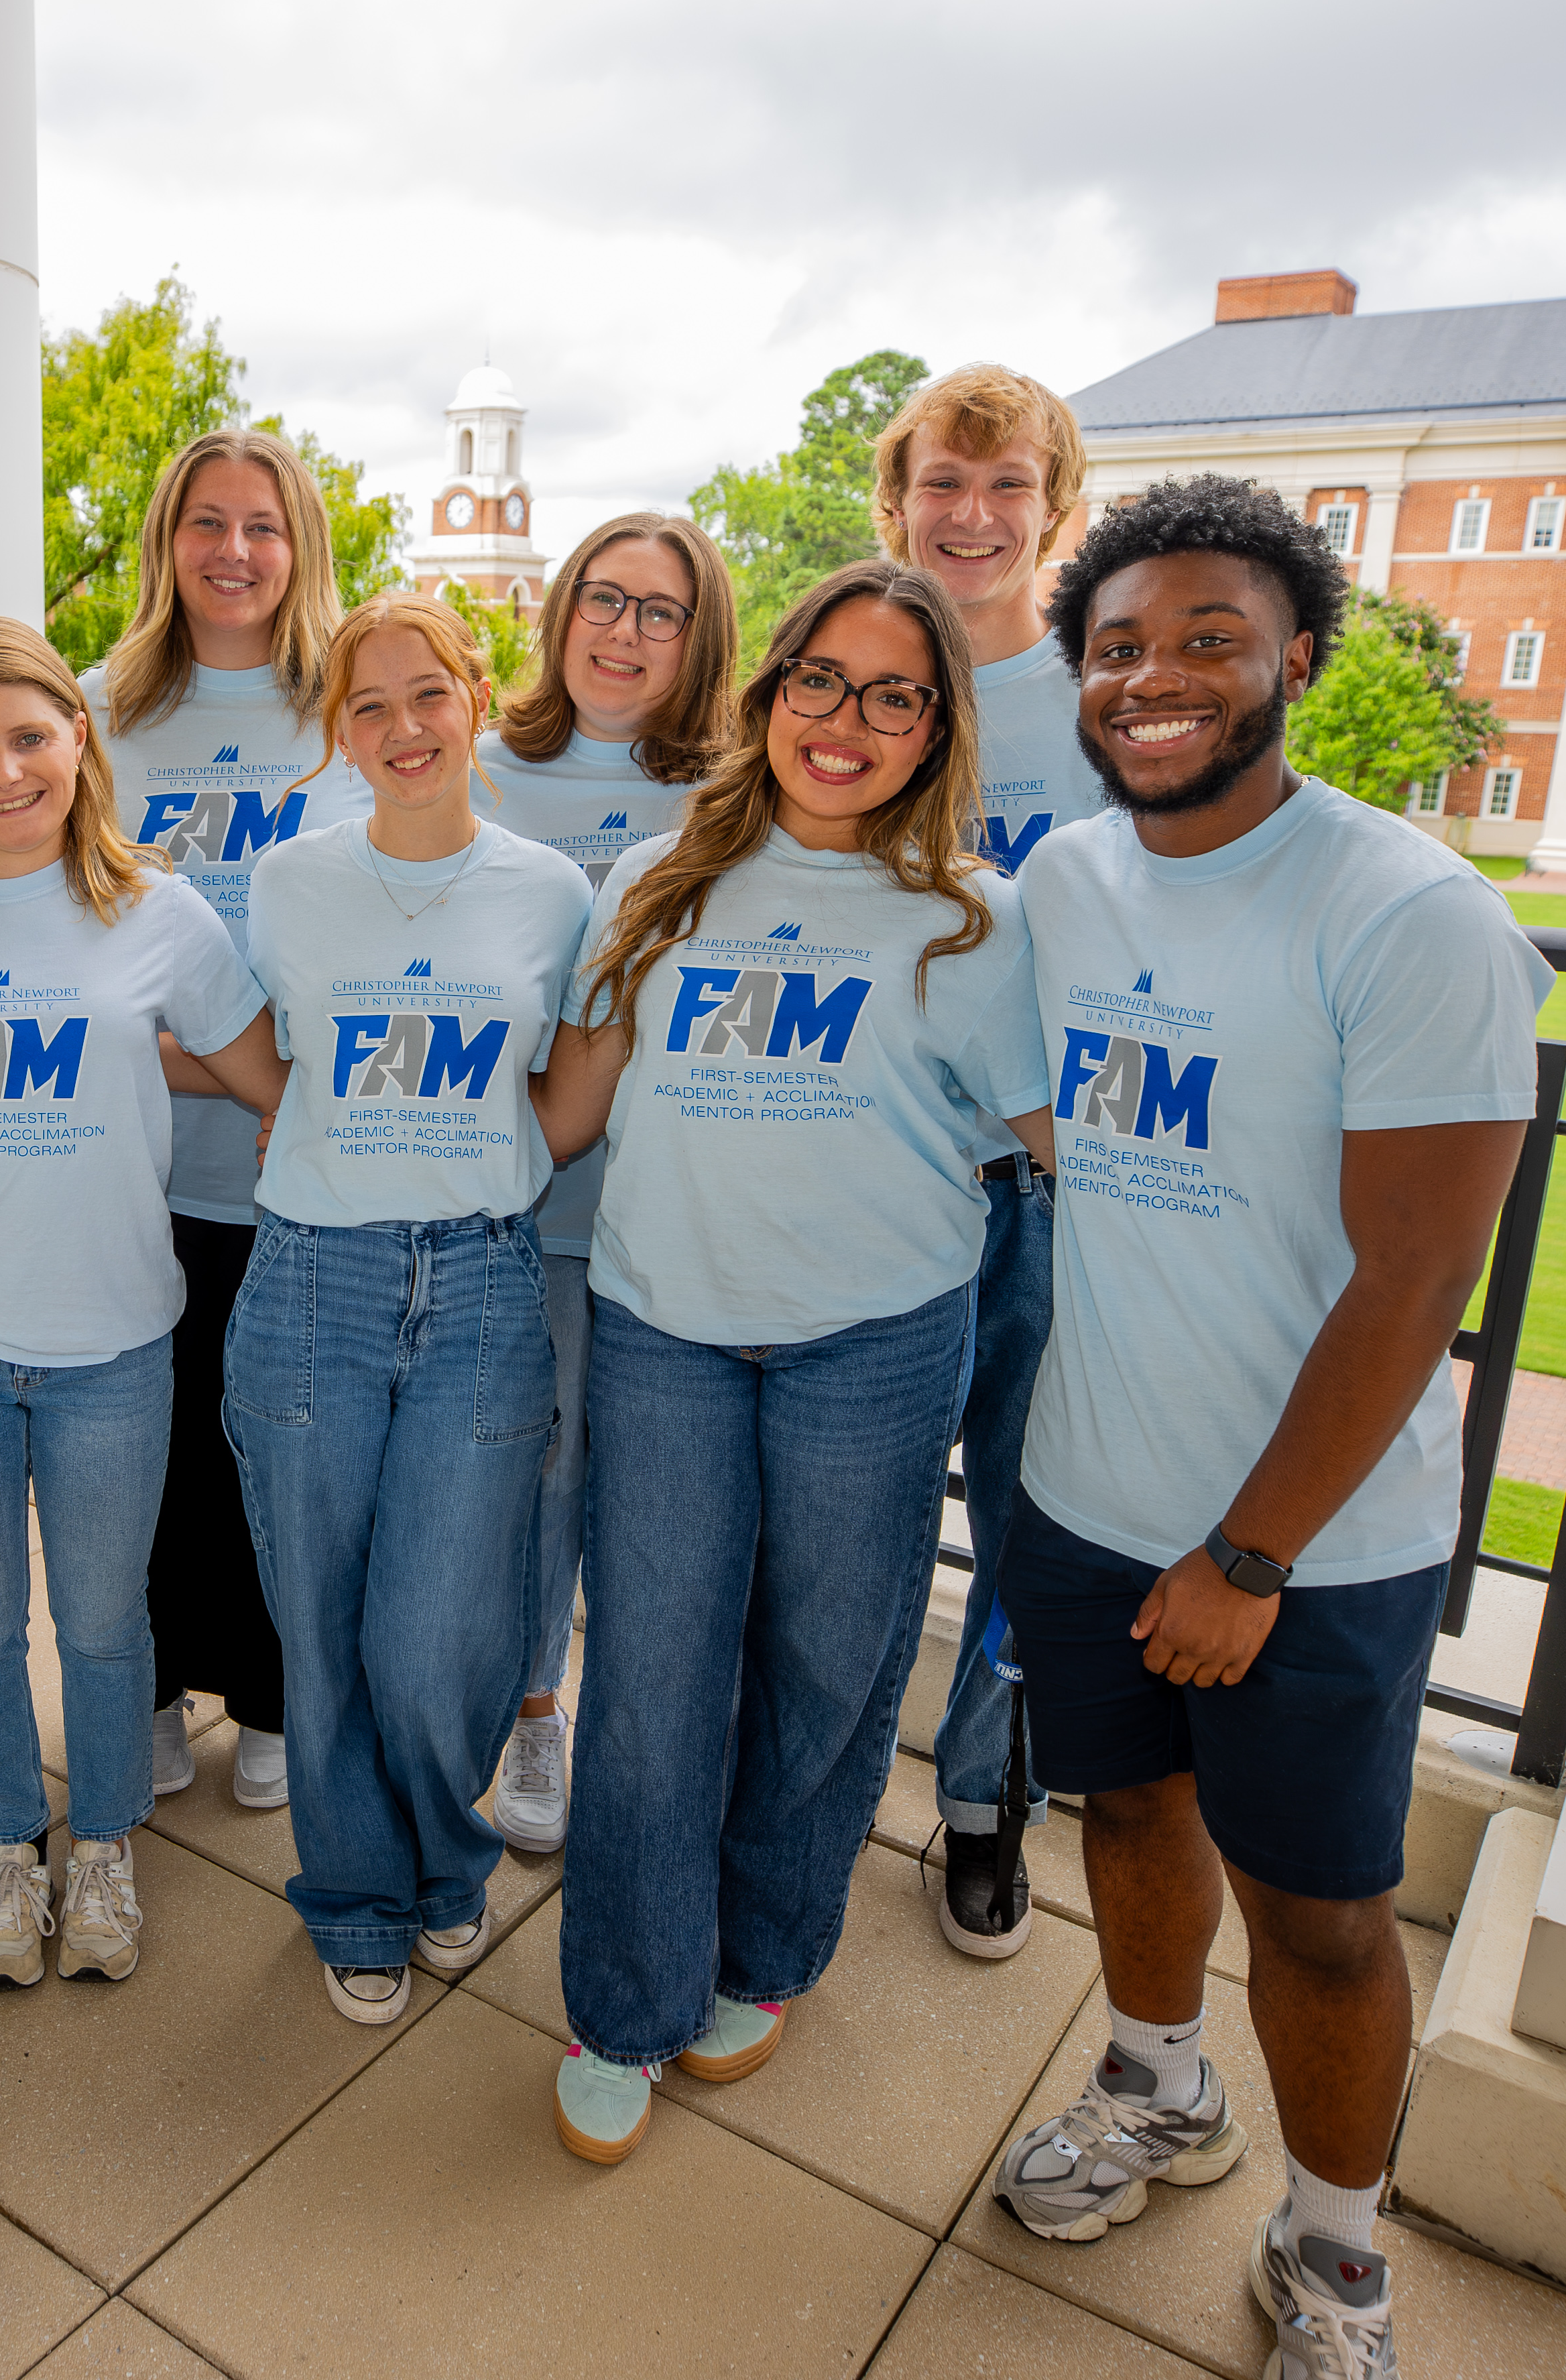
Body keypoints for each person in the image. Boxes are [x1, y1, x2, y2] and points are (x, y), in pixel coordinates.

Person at [985, 477, 1546, 2380]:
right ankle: (1158, 2090)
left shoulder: (1410, 912)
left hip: (1307, 1544)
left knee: (1321, 1915)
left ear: (1295, 655)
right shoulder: (1066, 880)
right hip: (1083, 1493)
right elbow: (1059, 1116)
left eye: (1209, 637)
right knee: (1128, 1812)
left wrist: (1249, 1555)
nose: (1157, 677)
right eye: (1120, 646)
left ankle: (1338, 2253)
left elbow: (1413, 1285)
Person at [532, 562, 1053, 2166]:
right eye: (822, 680)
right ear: (771, 697)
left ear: (937, 726)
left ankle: (763, 1956)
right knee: (653, 1680)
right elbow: (565, 1113)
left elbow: (1050, 1144)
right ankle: (624, 1997)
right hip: (668, 1331)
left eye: (897, 694)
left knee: (828, 1667)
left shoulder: (975, 917)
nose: (849, 720)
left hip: (877, 1348)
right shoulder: (660, 876)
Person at [0, 616, 279, 1990]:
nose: (6, 768)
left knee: (102, 1624)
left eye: (30, 735)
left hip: (113, 1339)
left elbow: (269, 1080)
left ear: (78, 740)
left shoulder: (164, 914)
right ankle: (1, 1855)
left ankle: (102, 1854)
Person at [229, 595, 590, 2025]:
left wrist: (494, 1163)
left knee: (439, 1628)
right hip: (315, 1275)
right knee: (320, 1623)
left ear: (476, 697)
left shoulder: (553, 892)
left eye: (425, 694)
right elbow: (263, 1053)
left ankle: (451, 1858)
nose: (401, 728)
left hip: (486, 1278)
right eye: (367, 707)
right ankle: (360, 1893)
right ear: (339, 732)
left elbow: (570, 1082)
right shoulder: (287, 881)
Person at [870, 363, 1109, 1958]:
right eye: (941, 488)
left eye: (1005, 487)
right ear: (893, 509)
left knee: (1028, 1513)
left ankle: (978, 1807)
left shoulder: (1104, 697)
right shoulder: (842, 687)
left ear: (1057, 512)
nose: (971, 517)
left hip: (1048, 1186)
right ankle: (812, 1790)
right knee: (847, 1518)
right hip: (870, 1168)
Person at [98, 429, 367, 1812]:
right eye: (207, 522)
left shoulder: (350, 715)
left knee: (285, 1452)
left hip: (299, 1161)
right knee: (151, 1454)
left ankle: (269, 1695)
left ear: (300, 544)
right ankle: (143, 1688)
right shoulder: (100, 713)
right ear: (169, 541)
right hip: (137, 1165)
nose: (235, 551)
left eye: (264, 525)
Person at [467, 510, 738, 1854]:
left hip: (676, 1205)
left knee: (663, 1496)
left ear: (702, 641)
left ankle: (656, 1740)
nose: (625, 633)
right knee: (543, 1474)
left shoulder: (736, 798)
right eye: (605, 600)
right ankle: (532, 1711)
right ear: (562, 610)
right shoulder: (476, 771)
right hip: (511, 1195)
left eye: (662, 611)